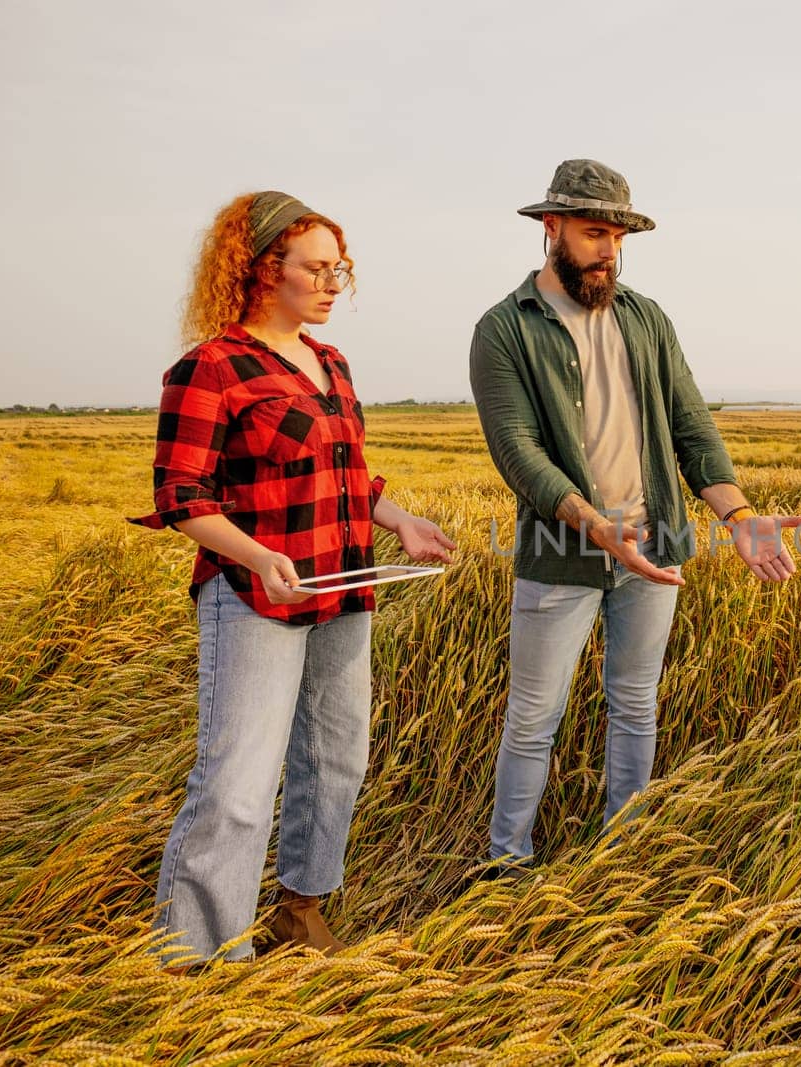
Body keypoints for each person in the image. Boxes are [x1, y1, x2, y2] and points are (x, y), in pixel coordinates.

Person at [132, 191, 455, 965]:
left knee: (337, 759)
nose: (333, 281)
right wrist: (256, 558)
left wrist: (399, 520)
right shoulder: (211, 367)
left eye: (339, 267)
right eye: (316, 267)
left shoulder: (331, 361)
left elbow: (349, 478)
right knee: (238, 782)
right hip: (253, 598)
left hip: (343, 589)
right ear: (259, 269)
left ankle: (299, 910)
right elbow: (181, 499)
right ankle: (197, 959)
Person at [469, 159, 801, 874]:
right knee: (533, 720)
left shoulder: (646, 318)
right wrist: (594, 525)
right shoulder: (505, 329)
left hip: (655, 549)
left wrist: (737, 514)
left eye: (619, 237)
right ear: (550, 227)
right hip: (564, 554)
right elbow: (517, 450)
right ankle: (504, 866)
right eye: (595, 233)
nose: (609, 251)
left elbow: (691, 425)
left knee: (634, 704)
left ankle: (620, 855)